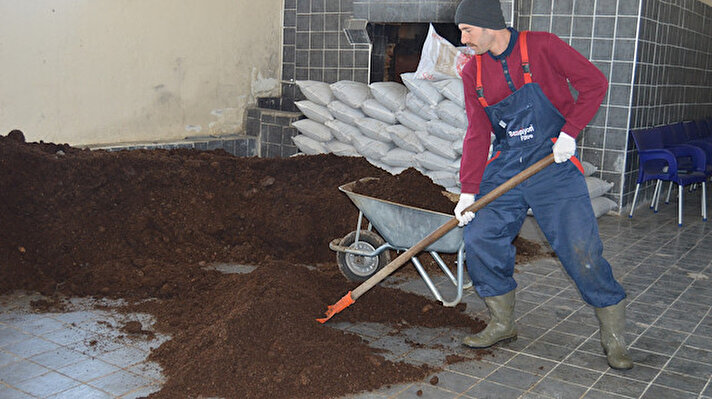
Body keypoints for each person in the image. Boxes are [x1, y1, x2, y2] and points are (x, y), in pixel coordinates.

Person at [452, 0, 633, 370]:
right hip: (507, 165)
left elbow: (594, 83)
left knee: (580, 249)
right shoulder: (474, 72)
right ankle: (502, 322)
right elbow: (478, 130)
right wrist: (469, 189)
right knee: (480, 236)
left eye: (468, 29)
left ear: (490, 25)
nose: (463, 38)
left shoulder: (542, 46)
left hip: (553, 160)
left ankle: (613, 336)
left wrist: (570, 132)